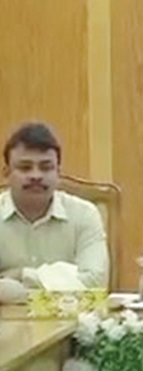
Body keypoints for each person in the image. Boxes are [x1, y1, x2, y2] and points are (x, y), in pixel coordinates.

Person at [0, 122, 109, 302]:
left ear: (58, 172)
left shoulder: (84, 214)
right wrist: (63, 282)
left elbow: (95, 284)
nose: (36, 176)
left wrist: (22, 275)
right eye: (25, 167)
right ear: (6, 173)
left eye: (46, 167)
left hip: (72, 320)